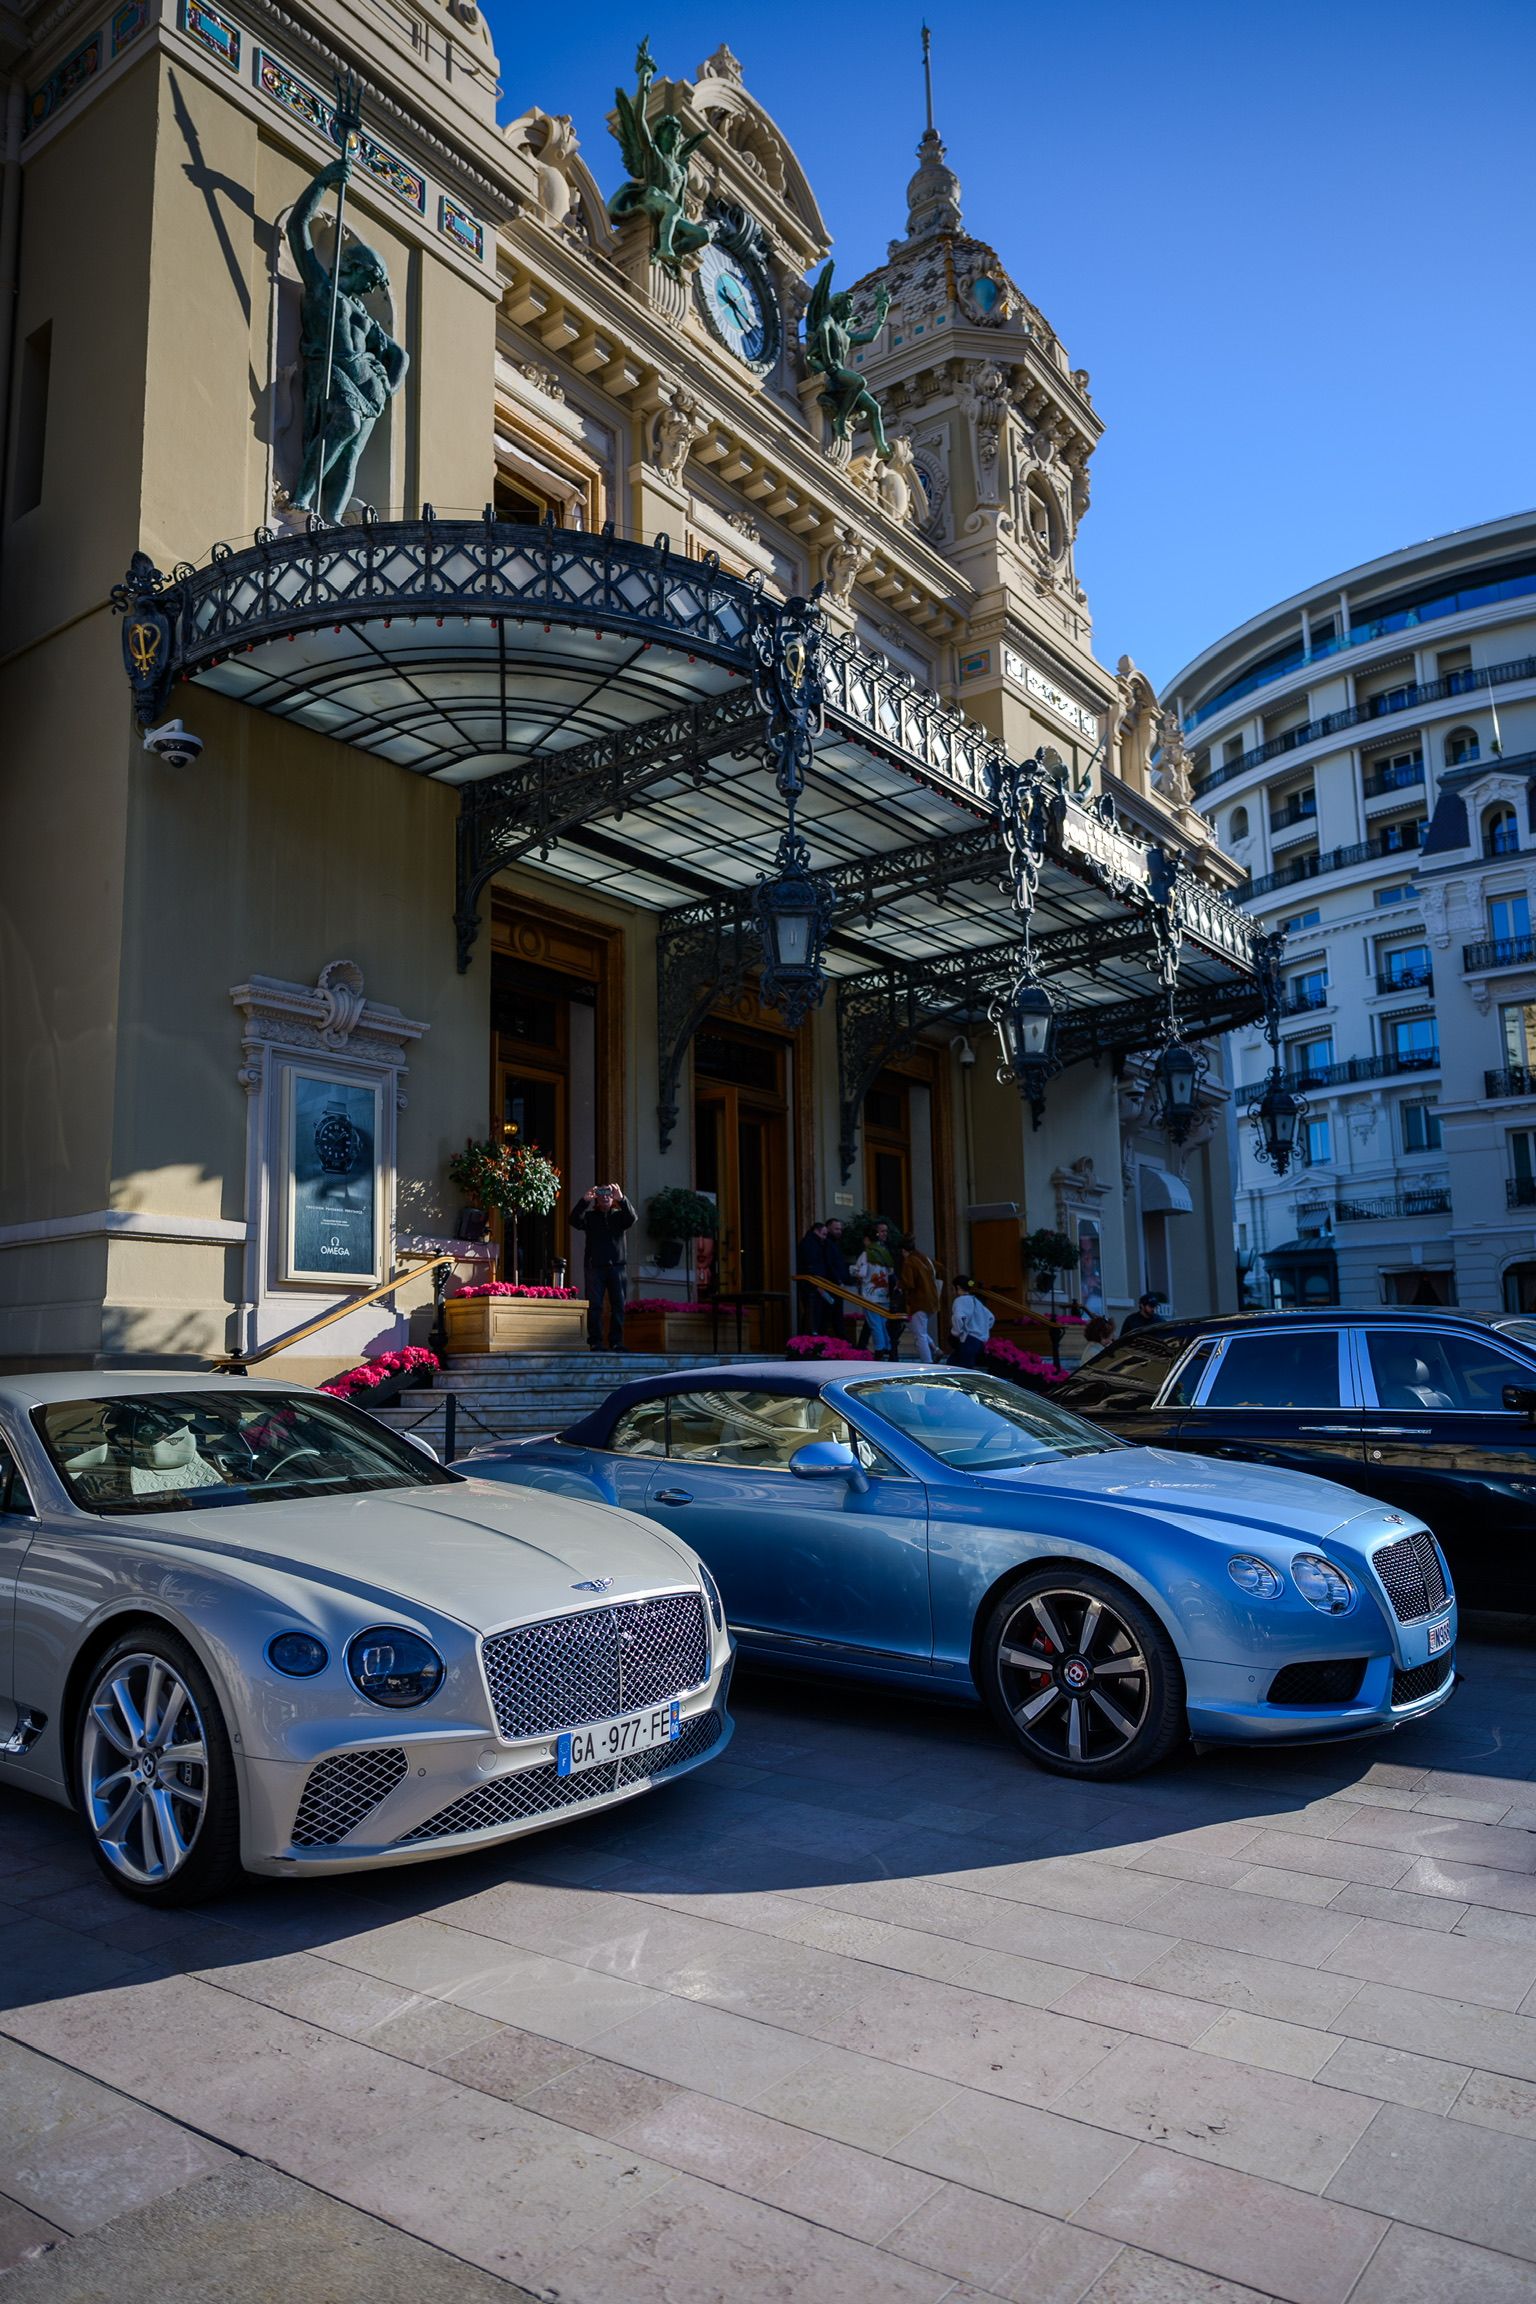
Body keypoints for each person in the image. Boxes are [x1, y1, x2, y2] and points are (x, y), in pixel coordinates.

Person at [570, 1181, 637, 1350]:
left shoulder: (619, 1216)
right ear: (597, 1199)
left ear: (612, 1197)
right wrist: (584, 1201)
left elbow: (632, 1218)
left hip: (617, 1267)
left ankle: (616, 1342)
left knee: (618, 1305)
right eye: (601, 1194)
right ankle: (595, 1342)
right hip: (595, 1268)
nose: (605, 1196)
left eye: (608, 1193)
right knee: (595, 1306)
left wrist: (622, 1199)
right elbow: (573, 1220)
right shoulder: (590, 1217)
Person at [853, 1220, 896, 1357]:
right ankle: (888, 1347)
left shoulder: (867, 1253)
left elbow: (861, 1272)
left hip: (870, 1294)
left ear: (867, 1239)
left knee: (874, 1323)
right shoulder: (885, 1252)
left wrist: (852, 1270)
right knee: (883, 1323)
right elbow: (891, 1272)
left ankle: (879, 1348)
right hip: (884, 1294)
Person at [900, 1240, 941, 1363]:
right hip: (931, 1300)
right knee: (918, 1328)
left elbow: (909, 1283)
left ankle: (928, 1362)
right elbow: (940, 1268)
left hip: (919, 1302)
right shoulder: (925, 1259)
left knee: (920, 1334)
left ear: (903, 1251)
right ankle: (935, 1349)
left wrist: (899, 1285)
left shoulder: (909, 1261)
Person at [796, 1217, 833, 1335]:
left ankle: (810, 1337)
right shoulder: (810, 1244)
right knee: (813, 1314)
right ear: (816, 1231)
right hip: (813, 1284)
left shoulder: (815, 1243)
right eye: (823, 1234)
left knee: (814, 1314)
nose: (825, 1237)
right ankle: (810, 1339)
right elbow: (812, 1265)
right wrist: (818, 1285)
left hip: (815, 1283)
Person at [948, 1276, 995, 1368]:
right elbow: (991, 1317)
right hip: (980, 1340)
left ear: (957, 1287)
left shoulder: (959, 1301)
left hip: (968, 1340)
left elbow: (958, 1317)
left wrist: (957, 1332)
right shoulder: (976, 1301)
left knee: (957, 1367)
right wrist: (982, 1329)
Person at [822, 1217, 851, 1341]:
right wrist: (838, 1281)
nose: (839, 1231)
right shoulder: (827, 1244)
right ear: (828, 1229)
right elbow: (830, 1264)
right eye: (836, 1229)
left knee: (836, 1316)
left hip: (837, 1285)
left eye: (840, 1229)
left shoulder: (835, 1244)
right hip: (831, 1285)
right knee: (831, 1315)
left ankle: (842, 1341)